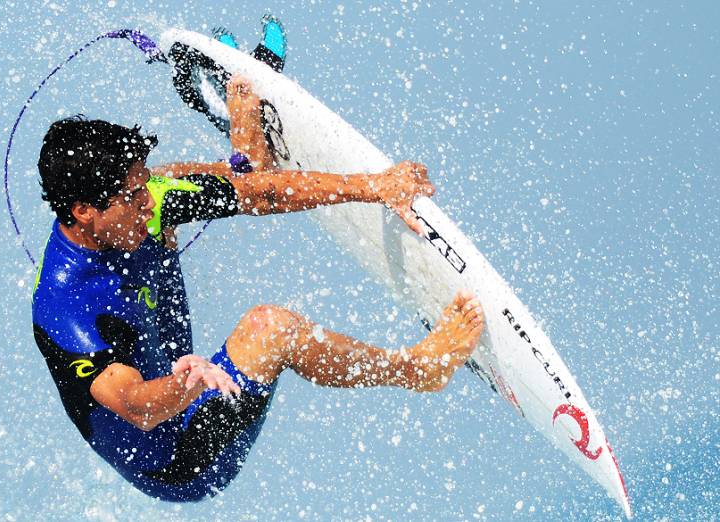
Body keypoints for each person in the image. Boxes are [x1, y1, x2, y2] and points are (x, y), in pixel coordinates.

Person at [31, 75, 484, 502]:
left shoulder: (137, 205)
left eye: (141, 184)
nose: (145, 199)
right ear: (84, 211)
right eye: (131, 197)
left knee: (199, 191)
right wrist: (187, 384)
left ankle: (245, 163)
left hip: (181, 374)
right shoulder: (66, 305)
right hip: (177, 455)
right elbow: (135, 407)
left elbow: (263, 198)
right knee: (271, 328)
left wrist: (377, 187)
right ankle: (418, 370)